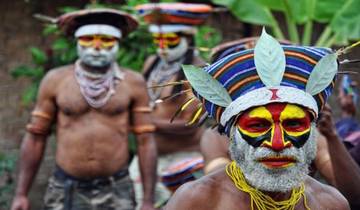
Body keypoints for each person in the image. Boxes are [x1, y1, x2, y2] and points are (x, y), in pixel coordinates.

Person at [165, 29, 349, 210]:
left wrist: (332, 136)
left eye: (293, 124)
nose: (278, 143)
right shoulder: (197, 201)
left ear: (312, 129)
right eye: (258, 125)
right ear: (233, 134)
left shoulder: (330, 203)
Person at [11, 9, 157, 210]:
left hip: (117, 187)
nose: (97, 48)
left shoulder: (133, 83)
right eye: (88, 39)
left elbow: (145, 141)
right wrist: (21, 194)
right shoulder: (56, 80)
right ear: (77, 42)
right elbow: (36, 136)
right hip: (65, 187)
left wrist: (148, 200)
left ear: (117, 44)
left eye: (106, 41)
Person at [129, 3, 212, 207]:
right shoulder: (152, 62)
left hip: (184, 160)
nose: (162, 47)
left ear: (188, 38)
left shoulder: (197, 71)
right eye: (158, 40)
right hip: (147, 158)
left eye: (171, 40)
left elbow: (190, 124)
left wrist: (145, 122)